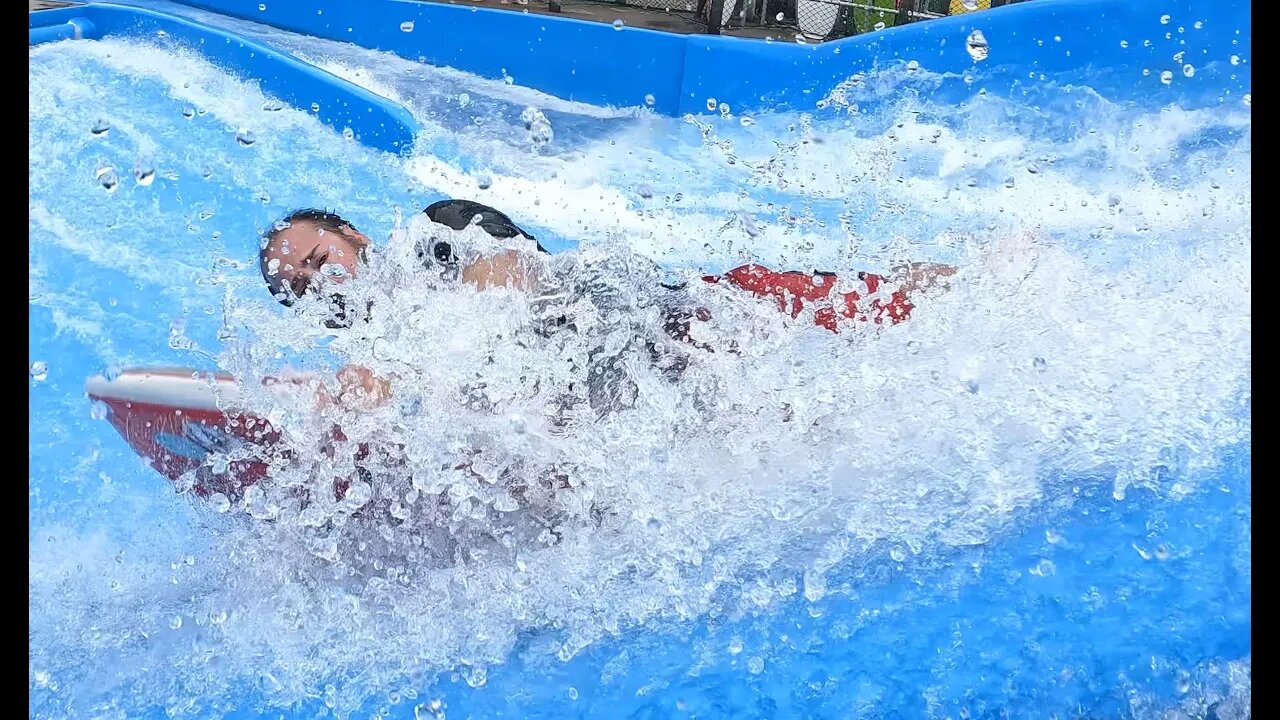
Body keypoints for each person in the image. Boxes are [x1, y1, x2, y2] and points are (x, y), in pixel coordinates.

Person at [257, 199, 956, 409]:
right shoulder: (379, 348)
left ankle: (961, 284)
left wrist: (398, 373)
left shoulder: (434, 235)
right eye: (304, 290)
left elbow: (504, 283)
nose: (325, 284)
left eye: (321, 261)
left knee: (822, 307)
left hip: (648, 320)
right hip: (605, 393)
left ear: (352, 234)